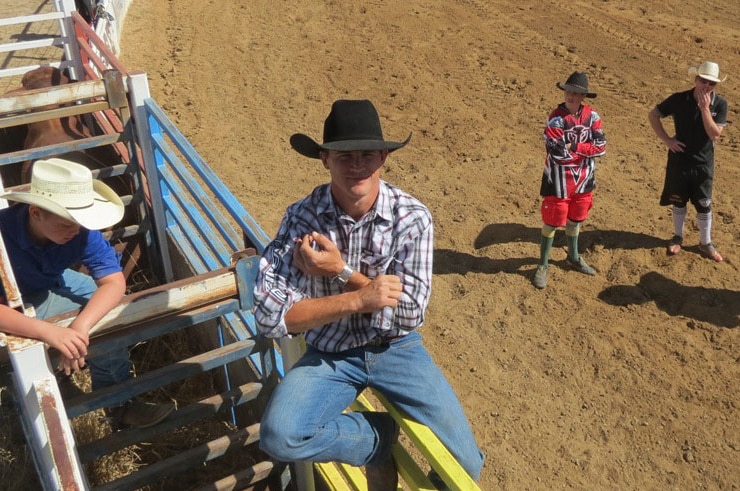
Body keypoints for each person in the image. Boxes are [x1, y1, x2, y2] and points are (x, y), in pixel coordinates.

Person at [253, 99, 484, 489]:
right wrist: (361, 296)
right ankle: (375, 439)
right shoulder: (300, 218)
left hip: (397, 348)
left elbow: (410, 313)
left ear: (383, 158)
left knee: (465, 465)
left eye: (366, 155)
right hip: (331, 352)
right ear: (325, 159)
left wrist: (341, 272)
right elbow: (270, 316)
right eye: (344, 155)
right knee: (279, 436)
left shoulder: (412, 217)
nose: (356, 165)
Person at [0, 158, 174, 429]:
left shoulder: (78, 230)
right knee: (82, 326)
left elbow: (114, 282)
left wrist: (80, 326)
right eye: (67, 222)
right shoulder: (2, 237)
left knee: (107, 317)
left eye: (81, 222)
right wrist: (50, 332)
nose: (76, 230)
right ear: (36, 213)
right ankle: (55, 381)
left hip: (51, 279)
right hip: (12, 299)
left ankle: (117, 403)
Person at [648, 61, 728, 262]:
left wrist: (704, 109)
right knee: (678, 200)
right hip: (679, 161)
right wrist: (667, 140)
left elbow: (714, 134)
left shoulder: (719, 104)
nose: (706, 86)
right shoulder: (679, 99)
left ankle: (705, 242)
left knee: (704, 203)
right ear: (696, 79)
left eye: (712, 83)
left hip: (703, 163)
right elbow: (653, 114)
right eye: (703, 81)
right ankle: (678, 236)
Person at [533, 72, 607, 289]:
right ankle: (543, 264)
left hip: (583, 180)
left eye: (575, 93)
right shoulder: (556, 117)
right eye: (568, 91)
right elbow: (556, 152)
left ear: (583, 96)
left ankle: (573, 256)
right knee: (552, 220)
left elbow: (601, 148)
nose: (571, 96)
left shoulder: (592, 117)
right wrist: (586, 152)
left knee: (577, 217)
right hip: (559, 180)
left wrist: (574, 147)